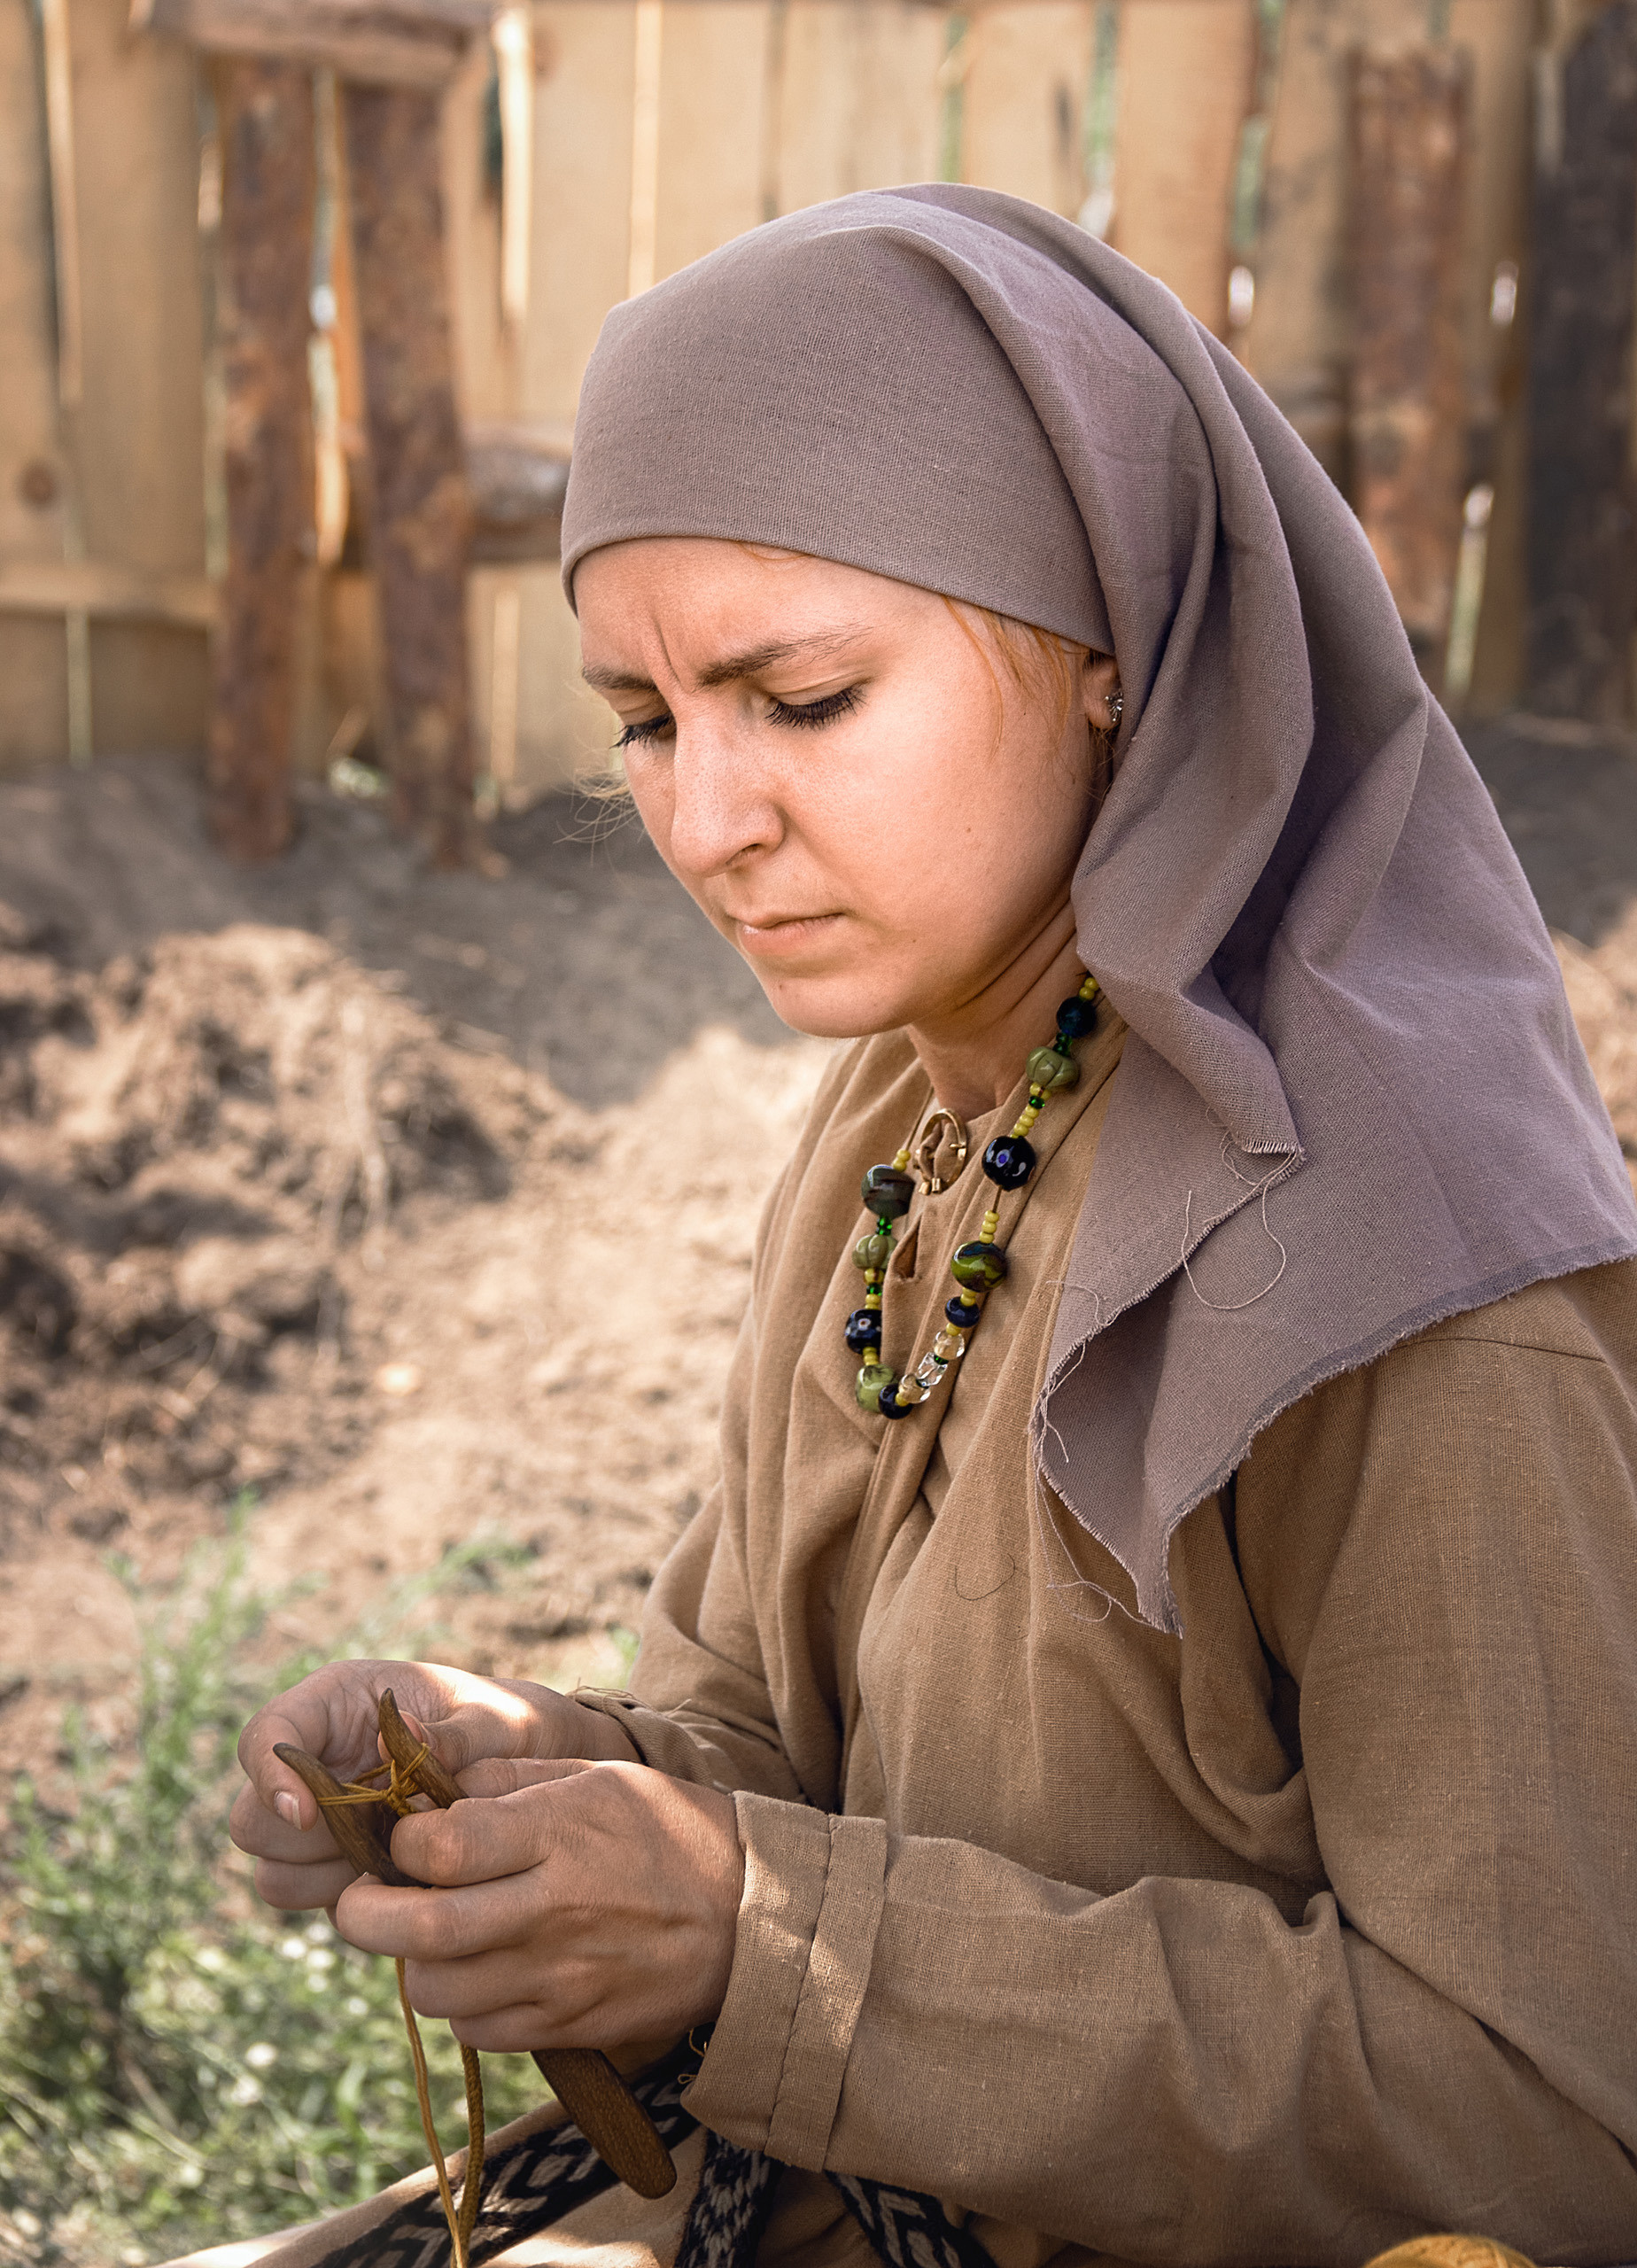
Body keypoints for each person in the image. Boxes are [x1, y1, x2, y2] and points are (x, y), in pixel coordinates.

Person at [226, 188, 1637, 2268]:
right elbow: (770, 1747)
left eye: (800, 700)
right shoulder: (917, 1104)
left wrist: (759, 1946)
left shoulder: (1401, 1263)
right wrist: (534, 1778)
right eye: (644, 715)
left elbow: (1544, 2114)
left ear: (1102, 655)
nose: (703, 822)